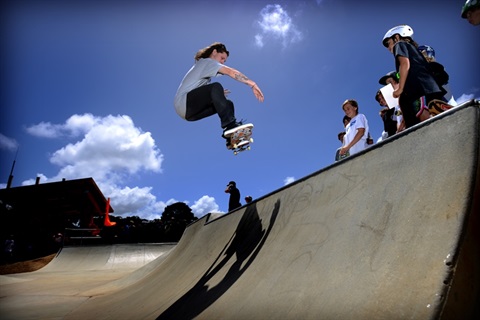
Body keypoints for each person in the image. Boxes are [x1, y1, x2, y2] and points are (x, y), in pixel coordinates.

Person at [174, 42, 265, 145]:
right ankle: (231, 126)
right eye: (222, 58)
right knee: (216, 86)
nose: (222, 62)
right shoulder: (206, 62)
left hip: (189, 114)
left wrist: (216, 95)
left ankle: (232, 138)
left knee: (228, 103)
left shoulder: (204, 68)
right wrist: (252, 84)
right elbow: (230, 72)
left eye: (224, 61)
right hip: (183, 103)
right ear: (214, 52)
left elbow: (198, 90)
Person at [382, 25, 446, 128]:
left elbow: (404, 64)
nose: (388, 48)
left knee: (407, 103)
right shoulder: (414, 50)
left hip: (419, 91)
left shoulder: (400, 44)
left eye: (388, 43)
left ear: (397, 37)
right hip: (430, 89)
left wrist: (400, 89)